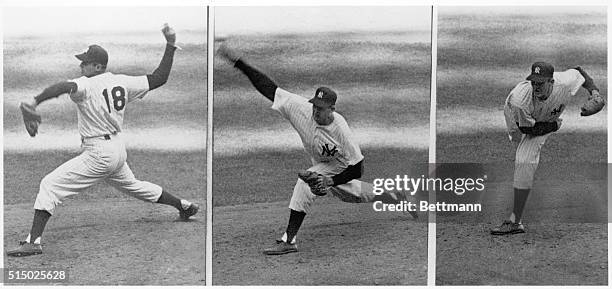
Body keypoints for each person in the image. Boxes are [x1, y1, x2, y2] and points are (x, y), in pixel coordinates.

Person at [7, 24, 199, 257]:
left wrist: (35, 101)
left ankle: (33, 242)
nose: (81, 65)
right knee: (134, 186)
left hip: (99, 153)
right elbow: (159, 78)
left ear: (98, 66)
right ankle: (184, 206)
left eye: (85, 62)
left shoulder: (86, 85)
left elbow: (63, 86)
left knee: (49, 185)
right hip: (118, 150)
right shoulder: (122, 81)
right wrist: (170, 46)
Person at [217, 43, 414, 255]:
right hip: (322, 164)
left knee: (306, 183)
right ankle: (398, 197)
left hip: (341, 166)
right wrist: (239, 63)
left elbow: (357, 168)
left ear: (332, 109)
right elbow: (269, 89)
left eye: (320, 108)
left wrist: (330, 180)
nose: (315, 112)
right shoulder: (301, 109)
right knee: (353, 194)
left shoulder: (341, 130)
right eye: (314, 106)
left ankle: (289, 240)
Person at [491, 61, 601, 235]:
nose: (536, 86)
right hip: (519, 119)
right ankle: (523, 189)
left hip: (547, 117)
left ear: (551, 81)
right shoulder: (520, 100)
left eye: (540, 83)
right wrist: (554, 126)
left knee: (523, 162)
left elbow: (579, 72)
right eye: (534, 82)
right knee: (517, 140)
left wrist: (595, 92)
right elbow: (526, 129)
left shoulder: (563, 81)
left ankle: (514, 222)